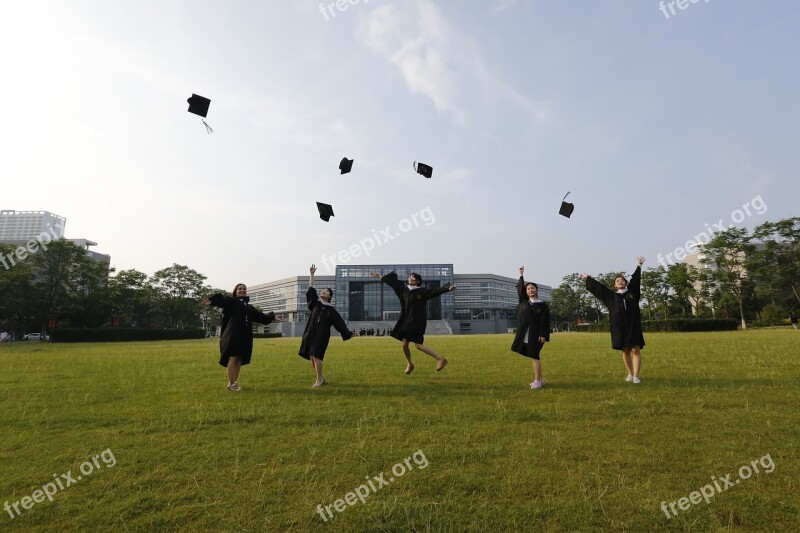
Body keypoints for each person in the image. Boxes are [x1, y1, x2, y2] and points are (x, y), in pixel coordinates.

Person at [370, 270, 456, 374]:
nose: (410, 279)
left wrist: (447, 289)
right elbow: (392, 283)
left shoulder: (422, 291)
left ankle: (440, 359)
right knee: (404, 344)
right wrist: (379, 276)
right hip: (406, 319)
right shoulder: (403, 288)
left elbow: (434, 291)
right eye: (410, 277)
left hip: (417, 320)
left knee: (418, 345)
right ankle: (410, 364)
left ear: (417, 282)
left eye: (413, 278)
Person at [202, 284, 282, 391]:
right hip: (233, 334)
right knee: (233, 357)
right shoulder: (232, 302)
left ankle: (233, 382)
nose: (242, 290)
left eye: (244, 289)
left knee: (239, 358)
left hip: (244, 336)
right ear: (235, 291)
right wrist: (212, 301)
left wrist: (272, 317)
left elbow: (260, 317)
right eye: (240, 289)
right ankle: (231, 384)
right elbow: (222, 301)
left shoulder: (249, 307)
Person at [581, 257, 646, 384]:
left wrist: (639, 266)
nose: (620, 282)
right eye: (617, 281)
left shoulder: (633, 293)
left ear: (625, 283)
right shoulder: (611, 297)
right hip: (619, 327)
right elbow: (600, 289)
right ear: (614, 285)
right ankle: (629, 373)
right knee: (626, 351)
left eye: (622, 280)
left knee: (635, 350)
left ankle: (636, 376)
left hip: (633, 325)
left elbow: (636, 280)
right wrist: (588, 278)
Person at [298, 264, 353, 387]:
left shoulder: (331, 310)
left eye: (327, 291)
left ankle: (319, 379)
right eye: (323, 290)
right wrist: (312, 275)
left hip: (322, 334)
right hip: (311, 332)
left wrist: (348, 333)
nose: (324, 291)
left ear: (329, 296)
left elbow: (339, 323)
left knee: (317, 356)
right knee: (312, 356)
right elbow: (311, 290)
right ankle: (321, 377)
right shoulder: (316, 304)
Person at [511, 266, 550, 389]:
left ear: (537, 290)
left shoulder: (542, 305)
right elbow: (520, 290)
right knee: (533, 355)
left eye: (533, 288)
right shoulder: (523, 302)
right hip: (525, 333)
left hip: (536, 333)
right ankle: (541, 379)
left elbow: (545, 321)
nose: (530, 290)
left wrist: (543, 334)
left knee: (534, 355)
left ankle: (537, 381)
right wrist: (521, 275)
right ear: (526, 291)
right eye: (528, 289)